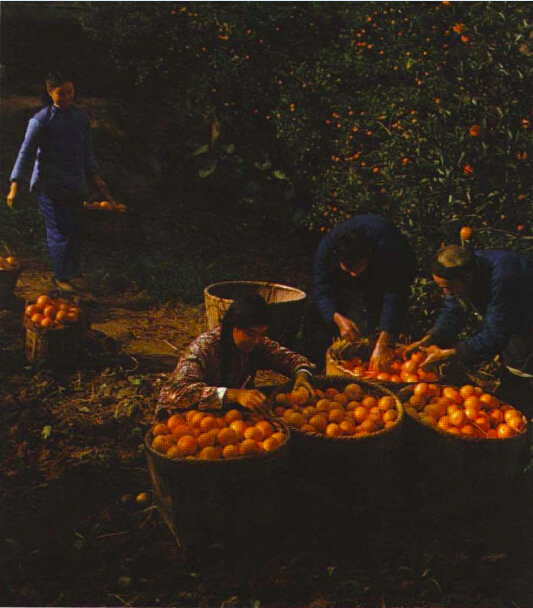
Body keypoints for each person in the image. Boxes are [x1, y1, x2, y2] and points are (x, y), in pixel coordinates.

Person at [7, 70, 113, 293]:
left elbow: (86, 152)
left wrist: (96, 177)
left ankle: (73, 273)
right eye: (61, 94)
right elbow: (25, 153)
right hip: (49, 185)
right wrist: (15, 185)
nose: (67, 97)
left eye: (70, 92)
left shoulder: (80, 118)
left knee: (75, 230)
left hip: (75, 184)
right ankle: (61, 276)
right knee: (59, 231)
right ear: (50, 93)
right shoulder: (41, 121)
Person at [406, 245, 533, 416]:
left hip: (527, 319)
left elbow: (495, 335)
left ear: (467, 278)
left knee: (523, 366)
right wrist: (430, 337)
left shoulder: (504, 278)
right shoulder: (467, 268)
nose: (445, 292)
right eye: (441, 286)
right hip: (515, 319)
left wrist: (453, 352)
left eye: (447, 287)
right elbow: (453, 310)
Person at [157, 293, 315, 419]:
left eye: (262, 334)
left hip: (223, 418)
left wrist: (302, 375)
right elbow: (179, 393)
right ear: (232, 325)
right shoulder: (204, 347)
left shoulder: (257, 343)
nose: (256, 340)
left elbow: (292, 359)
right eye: (250, 334)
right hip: (183, 420)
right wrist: (234, 395)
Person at [308, 214, 416, 371]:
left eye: (358, 267)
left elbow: (394, 292)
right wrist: (336, 317)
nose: (354, 274)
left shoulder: (387, 246)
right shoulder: (327, 249)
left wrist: (382, 342)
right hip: (349, 263)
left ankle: (377, 348)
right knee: (319, 315)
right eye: (349, 269)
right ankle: (318, 366)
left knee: (378, 309)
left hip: (391, 259)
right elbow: (321, 288)